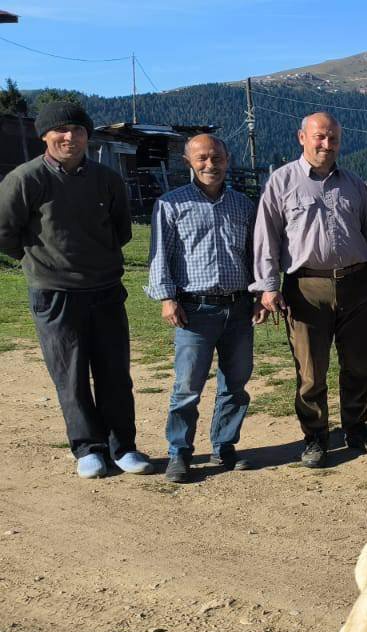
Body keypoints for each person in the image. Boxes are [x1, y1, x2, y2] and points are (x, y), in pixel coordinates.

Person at [0, 101, 153, 478]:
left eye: (79, 130)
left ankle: (123, 447)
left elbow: (121, 230)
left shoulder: (107, 179)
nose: (70, 137)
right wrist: (41, 262)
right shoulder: (25, 179)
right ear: (45, 136)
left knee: (115, 373)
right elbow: (5, 233)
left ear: (87, 136)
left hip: (105, 289)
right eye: (61, 130)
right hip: (54, 294)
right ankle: (88, 448)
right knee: (70, 374)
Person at [253, 112, 367, 469]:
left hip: (358, 283)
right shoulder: (281, 182)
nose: (327, 145)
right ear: (302, 137)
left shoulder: (354, 183)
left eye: (333, 138)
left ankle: (356, 428)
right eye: (320, 137)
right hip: (306, 287)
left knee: (359, 363)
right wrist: (268, 286)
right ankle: (315, 437)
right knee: (311, 371)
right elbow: (266, 238)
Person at [145, 134, 257, 482]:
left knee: (236, 384)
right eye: (202, 158)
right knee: (187, 388)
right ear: (188, 162)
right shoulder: (171, 204)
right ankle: (179, 452)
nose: (211, 165)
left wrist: (260, 294)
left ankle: (225, 445)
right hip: (194, 310)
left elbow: (254, 254)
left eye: (217, 158)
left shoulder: (243, 205)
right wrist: (167, 298)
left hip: (238, 308)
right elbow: (159, 256)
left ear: (227, 159)